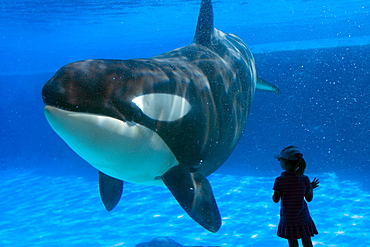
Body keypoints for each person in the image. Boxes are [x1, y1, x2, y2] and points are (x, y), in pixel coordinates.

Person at [272, 146, 320, 247]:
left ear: (285, 163)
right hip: (303, 216)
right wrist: (310, 187)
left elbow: (275, 200)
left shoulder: (279, 180)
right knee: (307, 240)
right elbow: (309, 199)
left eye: (280, 160)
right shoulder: (304, 179)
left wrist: (277, 192)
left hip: (288, 217)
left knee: (292, 241)